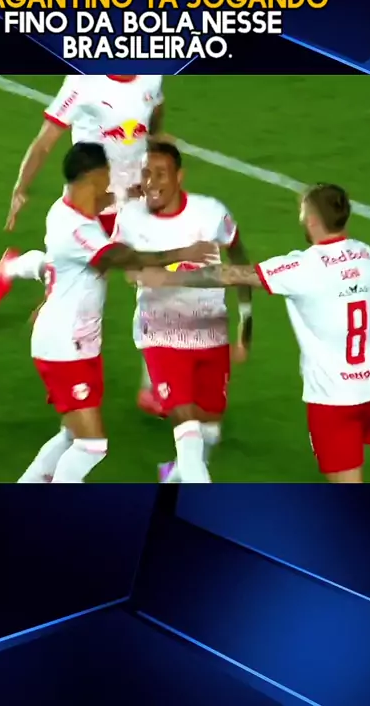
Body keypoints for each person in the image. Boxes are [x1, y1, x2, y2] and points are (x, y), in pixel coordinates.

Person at [0, 142, 216, 483]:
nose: (111, 182)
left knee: (70, 436)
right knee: (91, 446)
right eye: (107, 175)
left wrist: (133, 194)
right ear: (92, 177)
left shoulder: (66, 208)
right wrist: (183, 252)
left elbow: (107, 201)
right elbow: (123, 258)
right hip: (65, 347)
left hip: (81, 343)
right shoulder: (80, 231)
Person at [137, 183, 370, 484]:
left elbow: (230, 274)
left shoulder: (303, 267)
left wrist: (167, 277)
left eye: (302, 212)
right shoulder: (365, 253)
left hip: (335, 399)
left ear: (312, 221)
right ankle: (177, 473)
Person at [0, 74, 169, 414]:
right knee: (82, 292)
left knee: (158, 285)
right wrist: (21, 188)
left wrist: (153, 142)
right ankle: (13, 268)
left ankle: (152, 388)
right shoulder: (83, 82)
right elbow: (45, 141)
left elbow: (156, 107)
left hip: (135, 200)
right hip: (93, 206)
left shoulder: (152, 73)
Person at [113, 142, 253, 483]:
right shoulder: (130, 216)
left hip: (211, 334)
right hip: (161, 336)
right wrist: (146, 271)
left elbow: (240, 260)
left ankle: (174, 476)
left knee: (209, 432)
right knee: (188, 437)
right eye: (146, 173)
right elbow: (127, 268)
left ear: (179, 176)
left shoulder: (210, 213)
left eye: (161, 174)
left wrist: (246, 324)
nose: (151, 182)